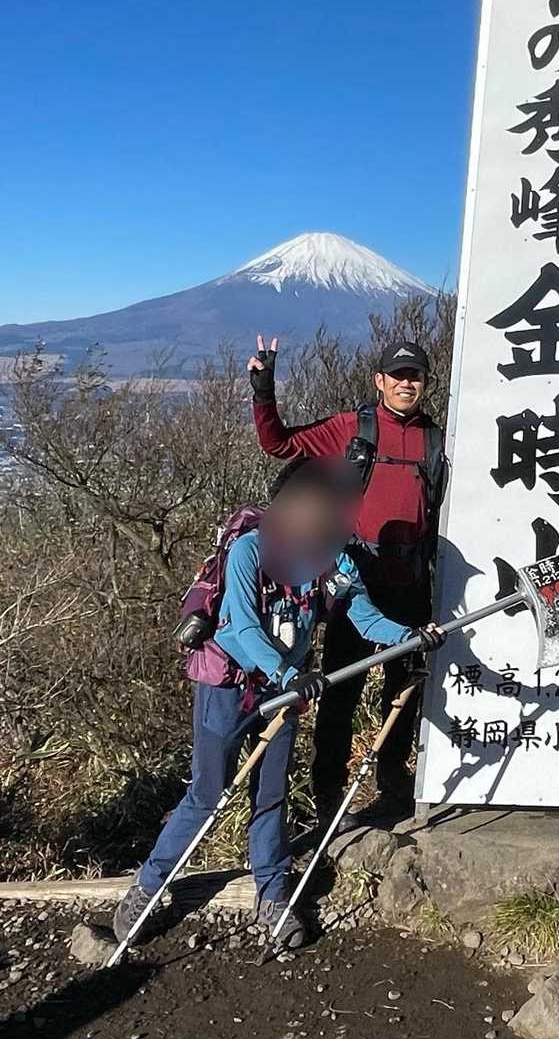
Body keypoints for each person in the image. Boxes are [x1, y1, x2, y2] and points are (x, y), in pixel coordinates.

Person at [112, 461, 442, 950]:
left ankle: (272, 893)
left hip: (285, 690)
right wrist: (289, 675)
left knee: (270, 795)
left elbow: (363, 616)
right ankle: (147, 888)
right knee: (207, 793)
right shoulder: (249, 550)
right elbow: (243, 626)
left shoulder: (332, 559)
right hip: (229, 684)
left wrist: (409, 636)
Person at [248, 334, 447, 822]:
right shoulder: (353, 427)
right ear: (379, 380)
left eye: (414, 376)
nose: (405, 383)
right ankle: (328, 794)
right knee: (340, 688)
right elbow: (278, 443)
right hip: (354, 580)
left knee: (405, 687)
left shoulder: (436, 438)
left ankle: (392, 781)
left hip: (411, 579)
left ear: (425, 383)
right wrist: (263, 392)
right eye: (397, 375)